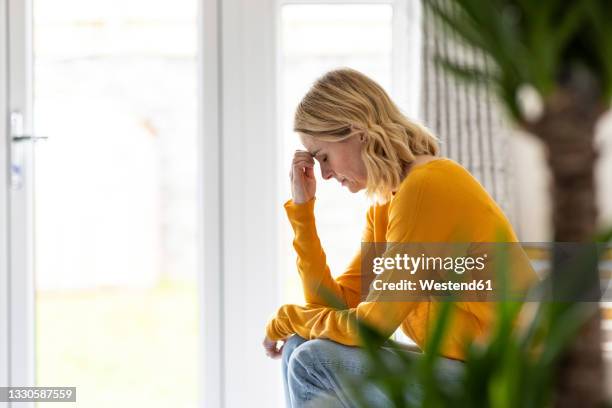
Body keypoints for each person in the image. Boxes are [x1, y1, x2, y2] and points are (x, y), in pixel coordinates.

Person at [263, 68, 535, 407]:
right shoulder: (387, 205)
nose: (326, 173)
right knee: (297, 346)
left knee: (312, 359)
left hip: (503, 383)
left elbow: (374, 325)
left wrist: (289, 317)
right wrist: (304, 212)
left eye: (323, 157)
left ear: (357, 132)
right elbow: (332, 306)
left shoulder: (426, 188)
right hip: (460, 368)